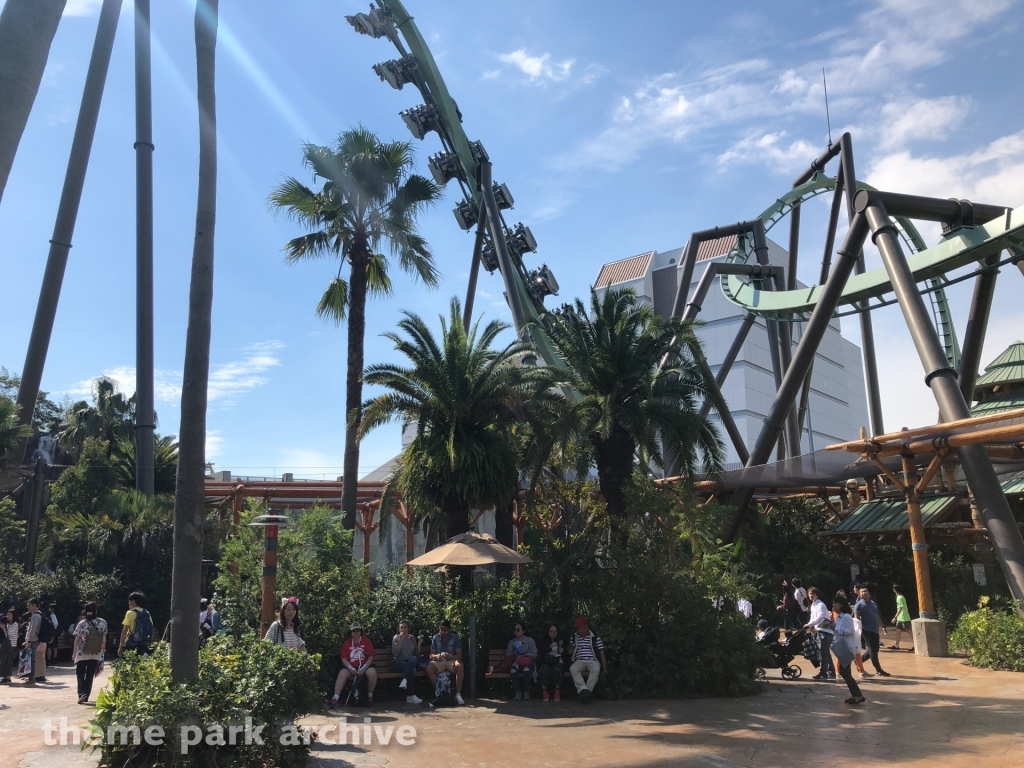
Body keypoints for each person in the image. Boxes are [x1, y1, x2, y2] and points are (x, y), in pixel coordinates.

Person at [331, 622, 376, 708]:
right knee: (342, 673)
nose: (356, 632)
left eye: (358, 630)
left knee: (372, 672)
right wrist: (351, 669)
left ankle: (370, 696)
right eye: (353, 631)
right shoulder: (347, 643)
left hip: (364, 666)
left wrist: (364, 668)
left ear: (361, 631)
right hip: (351, 666)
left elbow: (371, 656)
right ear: (351, 632)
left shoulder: (366, 641)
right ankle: (335, 698)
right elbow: (344, 659)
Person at [73, 601, 107, 705]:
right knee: (90, 674)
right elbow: (104, 638)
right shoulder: (102, 622)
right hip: (95, 652)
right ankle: (86, 694)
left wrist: (74, 651)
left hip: (82, 652)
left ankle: (81, 693)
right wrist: (102, 648)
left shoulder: (82, 623)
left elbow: (77, 639)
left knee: (80, 673)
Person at [832, 600, 865, 705]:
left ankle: (858, 695)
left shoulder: (846, 617)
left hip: (846, 647)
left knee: (844, 672)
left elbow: (850, 631)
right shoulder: (839, 617)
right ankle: (855, 695)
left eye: (835, 603)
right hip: (841, 646)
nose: (833, 605)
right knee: (845, 672)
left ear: (841, 604)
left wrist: (836, 628)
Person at [426, 619, 465, 705]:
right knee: (429, 668)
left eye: (445, 630)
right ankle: (440, 691)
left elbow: (459, 655)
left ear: (449, 630)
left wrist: (450, 656)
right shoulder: (435, 638)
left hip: (451, 660)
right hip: (440, 661)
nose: (443, 632)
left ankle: (458, 694)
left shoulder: (454, 638)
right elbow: (431, 655)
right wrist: (436, 656)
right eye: (441, 630)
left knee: (460, 665)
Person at [568, 616, 606, 703]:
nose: (578, 630)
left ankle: (585, 694)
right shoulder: (574, 637)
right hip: (579, 660)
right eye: (577, 628)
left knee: (596, 669)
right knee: (573, 669)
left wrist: (604, 668)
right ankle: (584, 691)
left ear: (585, 626)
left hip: (592, 660)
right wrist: (570, 649)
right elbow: (570, 651)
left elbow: (602, 653)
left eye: (580, 627)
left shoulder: (595, 638)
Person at [854, 586, 890, 677]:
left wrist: (883, 626)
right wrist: (858, 631)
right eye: (862, 592)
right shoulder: (859, 605)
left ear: (869, 593)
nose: (863, 593)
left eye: (865, 591)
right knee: (873, 651)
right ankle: (878, 670)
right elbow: (856, 619)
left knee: (875, 649)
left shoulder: (873, 603)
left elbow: (876, 615)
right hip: (866, 630)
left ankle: (859, 660)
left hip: (875, 630)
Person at [805, 587, 835, 681]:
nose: (811, 595)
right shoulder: (813, 605)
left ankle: (823, 673)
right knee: (825, 652)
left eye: (813, 593)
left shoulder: (820, 604)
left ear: (817, 595)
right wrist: (810, 626)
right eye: (810, 593)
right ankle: (831, 671)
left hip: (826, 631)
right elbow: (813, 618)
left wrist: (809, 624)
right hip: (820, 631)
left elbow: (820, 617)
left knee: (823, 652)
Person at [391, 619, 422, 704]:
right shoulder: (396, 638)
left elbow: (416, 653)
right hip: (398, 663)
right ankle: (411, 695)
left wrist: (419, 645)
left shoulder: (412, 638)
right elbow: (395, 654)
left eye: (405, 627)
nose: (403, 630)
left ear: (408, 629)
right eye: (401, 628)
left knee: (413, 658)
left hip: (409, 661)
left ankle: (405, 680)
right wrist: (400, 641)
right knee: (413, 669)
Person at [505, 622, 538, 701]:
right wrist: (512, 651)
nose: (516, 631)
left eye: (518, 630)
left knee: (526, 670)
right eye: (515, 630)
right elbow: (508, 655)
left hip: (528, 662)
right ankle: (518, 692)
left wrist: (526, 654)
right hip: (517, 662)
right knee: (513, 670)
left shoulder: (530, 640)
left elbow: (535, 654)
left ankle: (526, 692)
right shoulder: (512, 642)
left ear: (523, 631)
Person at [118, 591, 154, 657]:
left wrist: (120, 646)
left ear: (133, 602)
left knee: (131, 664)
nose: (128, 603)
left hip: (132, 643)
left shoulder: (130, 613)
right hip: (144, 643)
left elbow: (125, 630)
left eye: (129, 601)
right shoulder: (146, 613)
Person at [539, 623, 565, 702]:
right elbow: (541, 652)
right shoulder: (543, 641)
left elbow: (566, 654)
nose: (554, 633)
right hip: (546, 660)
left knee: (558, 669)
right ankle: (545, 691)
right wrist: (549, 647)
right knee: (543, 669)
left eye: (555, 631)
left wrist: (562, 651)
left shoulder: (560, 640)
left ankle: (557, 690)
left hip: (557, 660)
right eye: (551, 631)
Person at [23, 597, 42, 686]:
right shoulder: (39, 614)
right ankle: (30, 678)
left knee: (31, 660)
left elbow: (33, 630)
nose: (28, 607)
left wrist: (29, 641)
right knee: (31, 659)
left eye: (29, 605)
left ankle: (31, 679)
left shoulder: (35, 616)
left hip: (33, 641)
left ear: (34, 605)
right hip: (34, 640)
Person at [892, 584, 911, 651]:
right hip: (900, 618)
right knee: (898, 631)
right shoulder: (900, 597)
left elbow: (900, 608)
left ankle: (916, 645)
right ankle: (896, 645)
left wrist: (895, 617)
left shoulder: (900, 598)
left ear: (894, 590)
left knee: (909, 632)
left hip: (904, 617)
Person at [0, 611, 13, 684]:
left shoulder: (10, 626)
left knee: (5, 661)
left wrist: (3, 628)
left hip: (7, 645)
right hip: (4, 644)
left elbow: (8, 637)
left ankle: (4, 676)